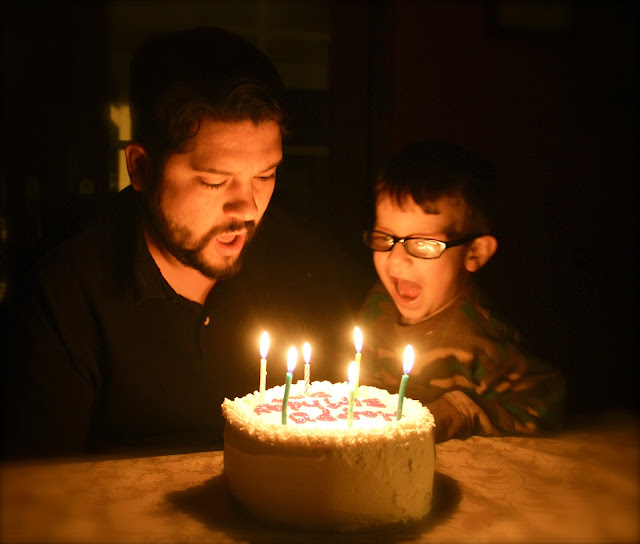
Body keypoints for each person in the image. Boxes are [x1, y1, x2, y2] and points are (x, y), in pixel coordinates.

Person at [1, 27, 366, 458]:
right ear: (140, 167)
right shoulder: (64, 294)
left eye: (265, 175)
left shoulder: (305, 259)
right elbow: (34, 495)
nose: (247, 208)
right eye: (214, 181)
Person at [358, 141, 565, 443]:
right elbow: (363, 380)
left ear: (474, 253)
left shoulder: (478, 337)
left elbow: (544, 401)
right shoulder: (379, 305)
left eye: (424, 243)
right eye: (385, 237)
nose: (397, 259)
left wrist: (460, 412)